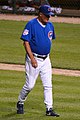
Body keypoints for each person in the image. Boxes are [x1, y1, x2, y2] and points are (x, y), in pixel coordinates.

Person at [17, 5, 60, 117]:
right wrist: (32, 58)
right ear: (40, 14)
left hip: (46, 59)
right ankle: (20, 102)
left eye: (49, 15)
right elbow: (25, 42)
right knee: (30, 85)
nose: (48, 18)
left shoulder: (50, 25)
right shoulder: (31, 24)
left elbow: (49, 40)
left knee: (48, 85)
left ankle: (49, 109)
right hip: (34, 59)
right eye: (46, 15)